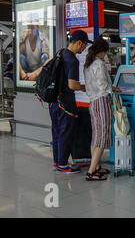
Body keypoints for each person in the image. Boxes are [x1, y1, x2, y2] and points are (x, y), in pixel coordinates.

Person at [49, 30, 91, 174]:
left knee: (56, 132)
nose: (84, 49)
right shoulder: (72, 60)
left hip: (54, 102)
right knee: (65, 133)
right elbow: (72, 85)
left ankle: (57, 161)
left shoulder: (60, 53)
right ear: (79, 43)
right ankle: (62, 164)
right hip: (65, 104)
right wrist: (85, 87)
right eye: (84, 46)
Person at [83, 37, 120, 181]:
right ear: (102, 51)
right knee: (102, 136)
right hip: (101, 100)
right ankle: (91, 172)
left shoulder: (88, 63)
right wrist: (113, 88)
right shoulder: (99, 64)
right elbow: (103, 84)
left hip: (92, 101)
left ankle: (96, 166)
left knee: (96, 135)